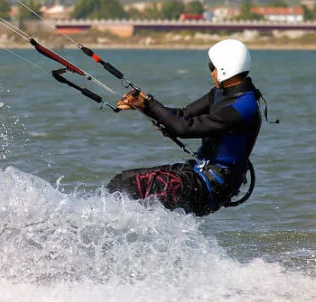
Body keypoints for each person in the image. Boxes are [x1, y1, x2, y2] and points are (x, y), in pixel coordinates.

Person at [106, 39, 265, 216]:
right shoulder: (220, 93)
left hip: (210, 188)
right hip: (198, 173)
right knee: (122, 182)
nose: (211, 72)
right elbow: (184, 115)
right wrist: (143, 106)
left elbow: (184, 128)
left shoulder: (243, 108)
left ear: (224, 69)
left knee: (128, 186)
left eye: (211, 67)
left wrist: (149, 103)